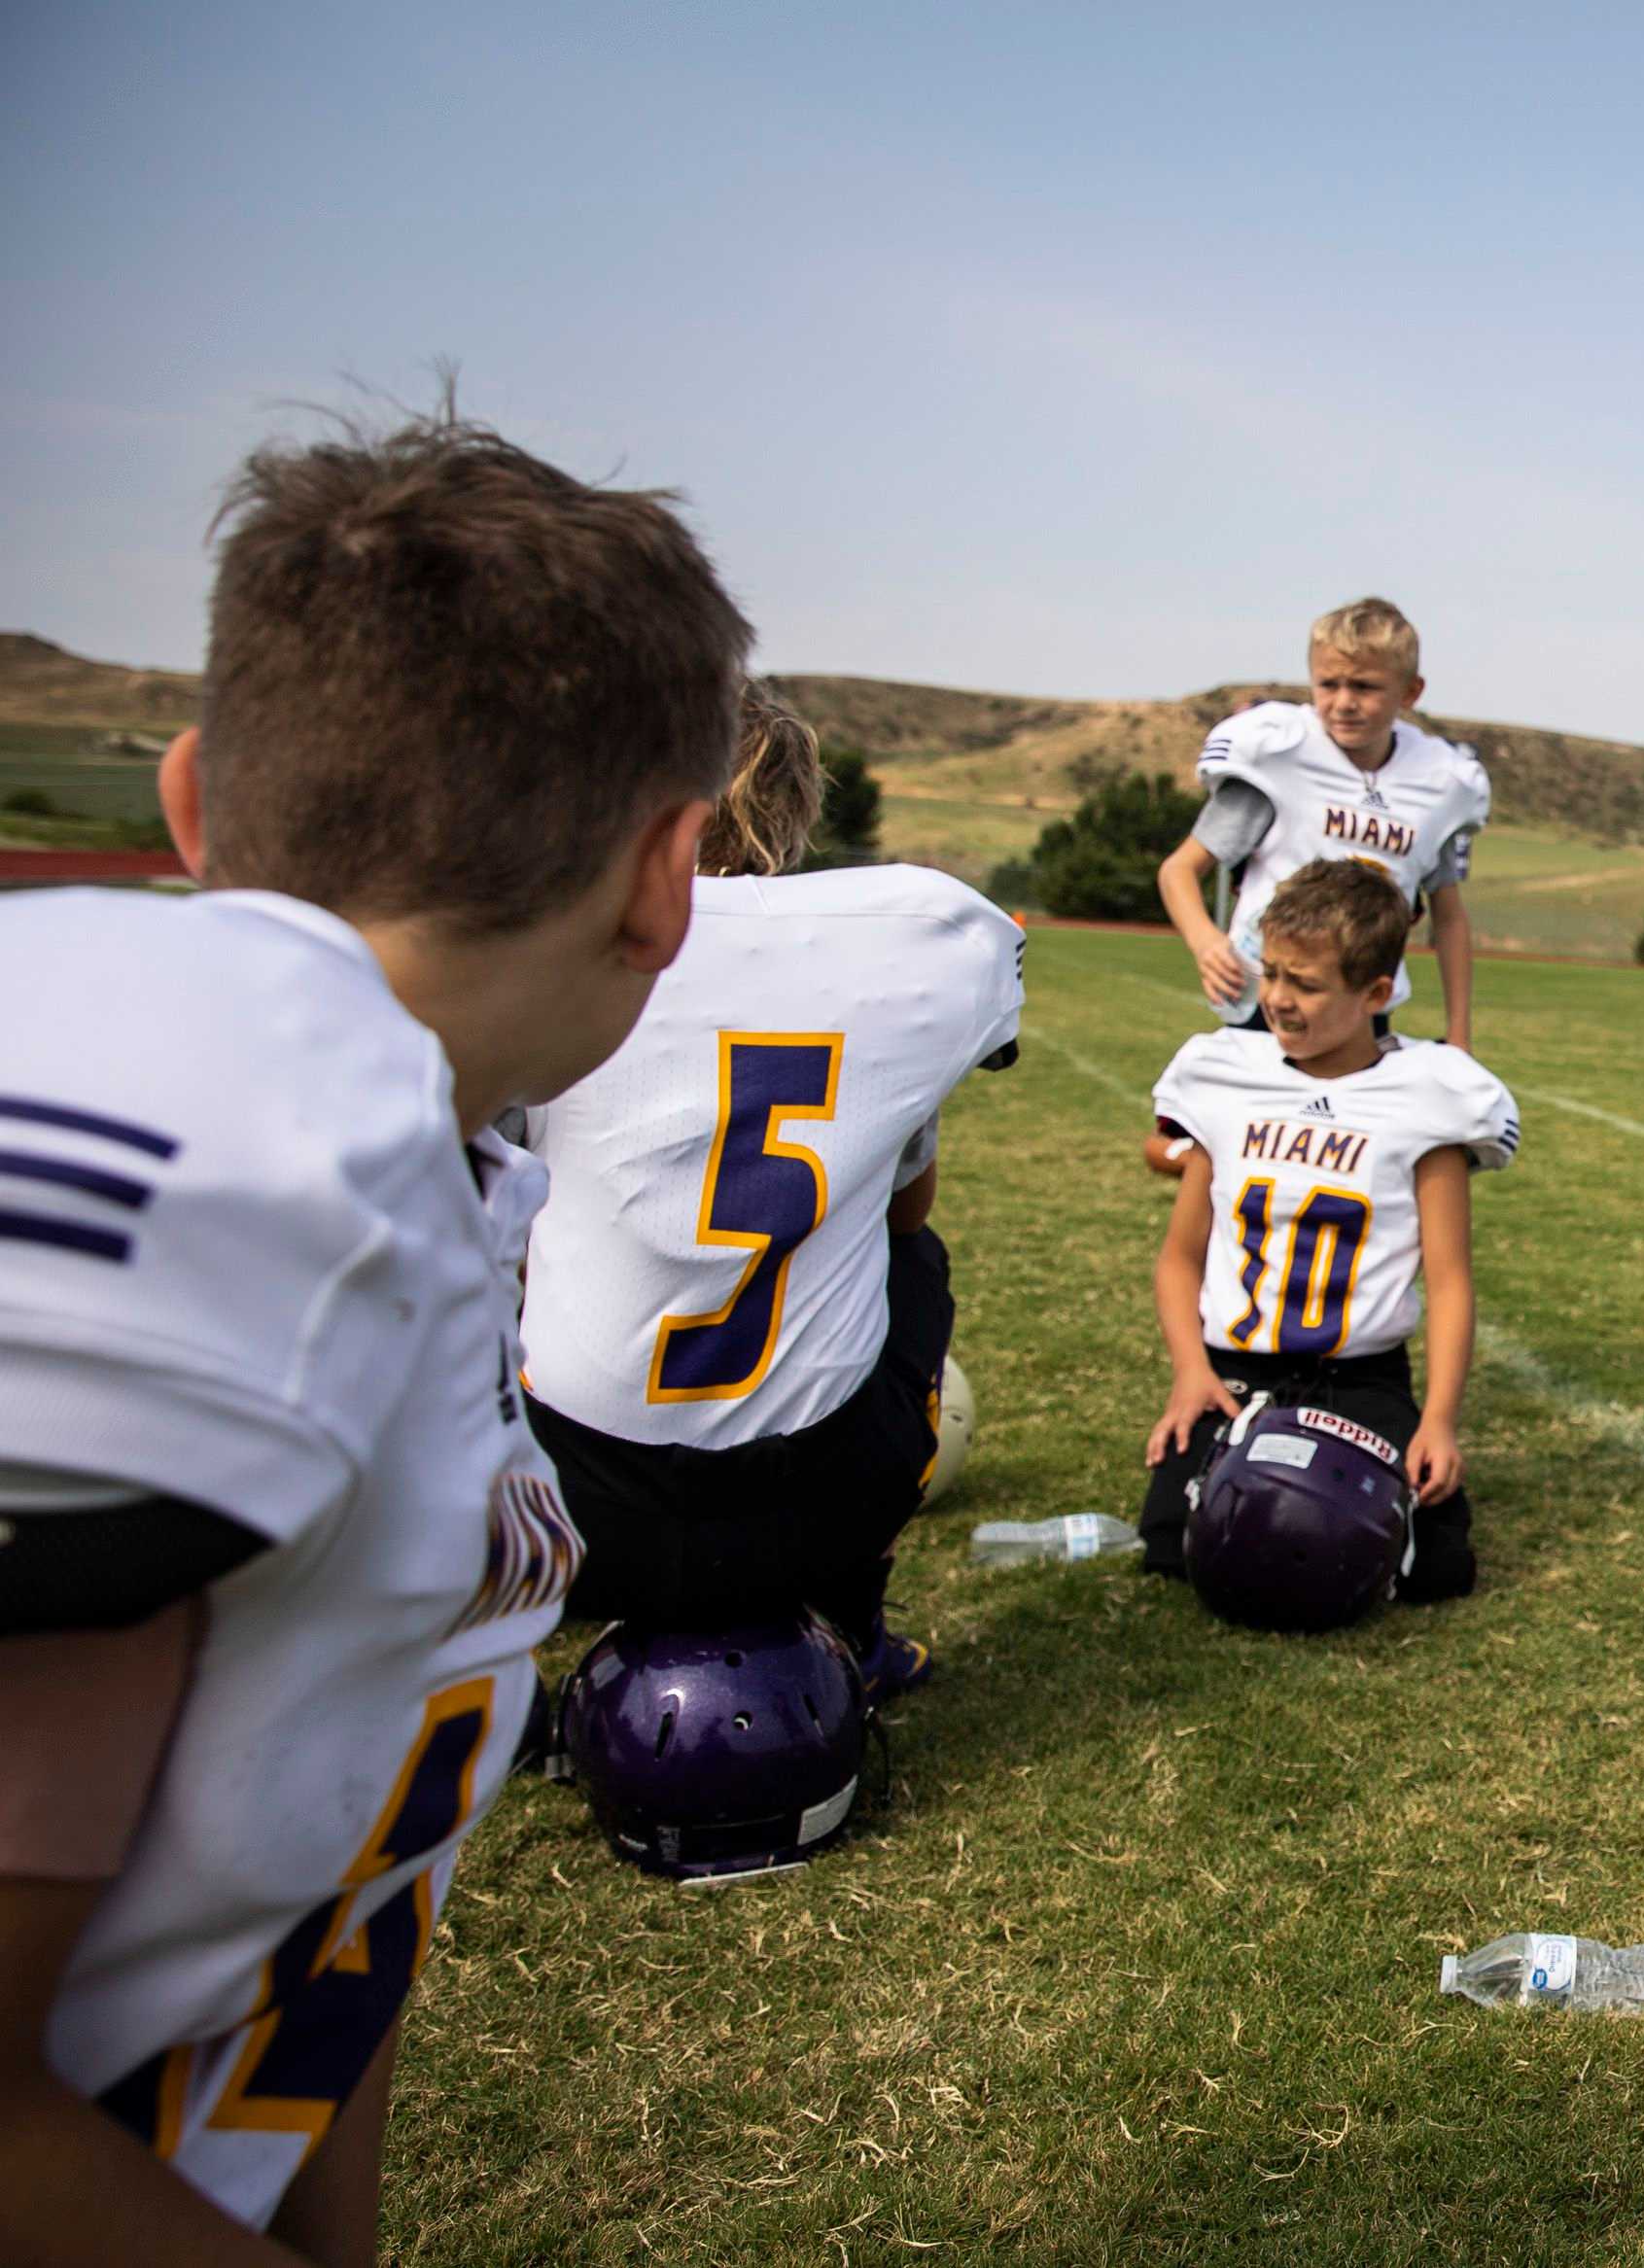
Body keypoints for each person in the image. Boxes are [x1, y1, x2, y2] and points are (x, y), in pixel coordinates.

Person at [0, 411, 746, 2261]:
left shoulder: (433, 1157)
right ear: (672, 874)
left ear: (190, 801)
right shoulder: (227, 1159)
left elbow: (316, 1917)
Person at [513, 686, 1025, 1705]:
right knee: (913, 1260)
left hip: (569, 1524)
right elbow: (906, 1218)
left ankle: (474, 1662)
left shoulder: (548, 940)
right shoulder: (904, 941)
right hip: (810, 1510)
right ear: (794, 810)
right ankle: (856, 1621)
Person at [1138, 859, 1517, 1607]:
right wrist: (1190, 1371)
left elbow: (1449, 1282)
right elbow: (1180, 1259)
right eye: (1271, 973)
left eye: (1305, 984)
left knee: (1433, 1569)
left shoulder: (1430, 1096)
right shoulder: (1226, 1075)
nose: (1276, 998)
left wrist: (1437, 1420)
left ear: (1376, 993)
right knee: (1174, 1551)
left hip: (1361, 1379)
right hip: (1236, 1369)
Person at [1143, 598, 1487, 1176]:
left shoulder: (1440, 782)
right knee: (1224, 1152)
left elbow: (1449, 916)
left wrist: (1458, 1032)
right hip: (1267, 995)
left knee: (1340, 1158)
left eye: (1365, 685)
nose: (1344, 701)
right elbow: (1180, 869)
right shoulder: (1279, 755)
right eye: (1328, 683)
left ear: (1410, 691)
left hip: (1361, 1001)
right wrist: (1207, 942)